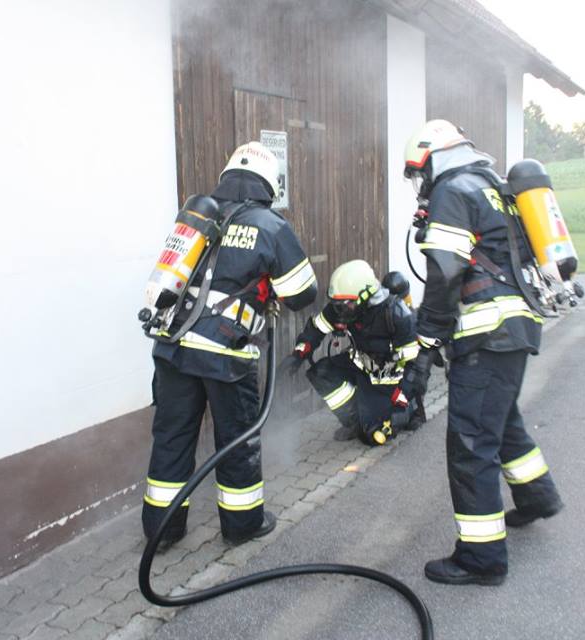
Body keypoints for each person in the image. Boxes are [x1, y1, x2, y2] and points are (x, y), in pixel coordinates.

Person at [399, 120, 563, 586]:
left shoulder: (453, 192)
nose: (421, 184)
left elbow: (446, 273)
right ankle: (537, 497)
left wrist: (426, 343)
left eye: (419, 172)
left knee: (471, 443)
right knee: (502, 420)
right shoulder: (494, 188)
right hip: (516, 328)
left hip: (486, 335)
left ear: (433, 159)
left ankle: (482, 558)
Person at [143, 141, 317, 547]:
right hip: (224, 354)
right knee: (237, 440)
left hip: (172, 347)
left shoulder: (199, 218)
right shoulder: (270, 226)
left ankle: (162, 532)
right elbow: (303, 293)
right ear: (268, 183)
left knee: (172, 438)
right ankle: (242, 525)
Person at [283, 260, 423, 445]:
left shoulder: (396, 314)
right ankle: (354, 422)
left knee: (373, 436)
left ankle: (410, 411)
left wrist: (402, 397)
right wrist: (298, 354)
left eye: (345, 304)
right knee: (321, 372)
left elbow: (416, 366)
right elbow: (316, 329)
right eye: (337, 304)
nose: (339, 311)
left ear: (364, 297)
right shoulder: (345, 309)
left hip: (389, 380)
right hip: (361, 366)